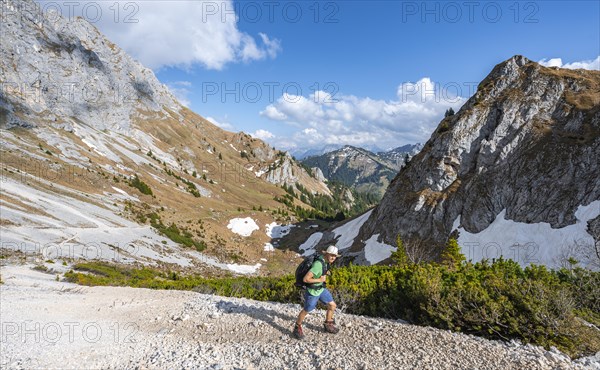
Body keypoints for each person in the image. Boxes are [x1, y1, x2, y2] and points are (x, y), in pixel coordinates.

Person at [293, 245, 340, 339]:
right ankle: (297, 327)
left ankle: (328, 324)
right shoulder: (318, 264)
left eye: (335, 256)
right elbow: (306, 279)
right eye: (331, 255)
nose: (333, 258)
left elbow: (321, 271)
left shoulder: (325, 261)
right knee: (307, 310)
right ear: (326, 254)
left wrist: (325, 273)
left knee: (332, 305)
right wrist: (320, 279)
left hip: (321, 289)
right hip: (313, 292)